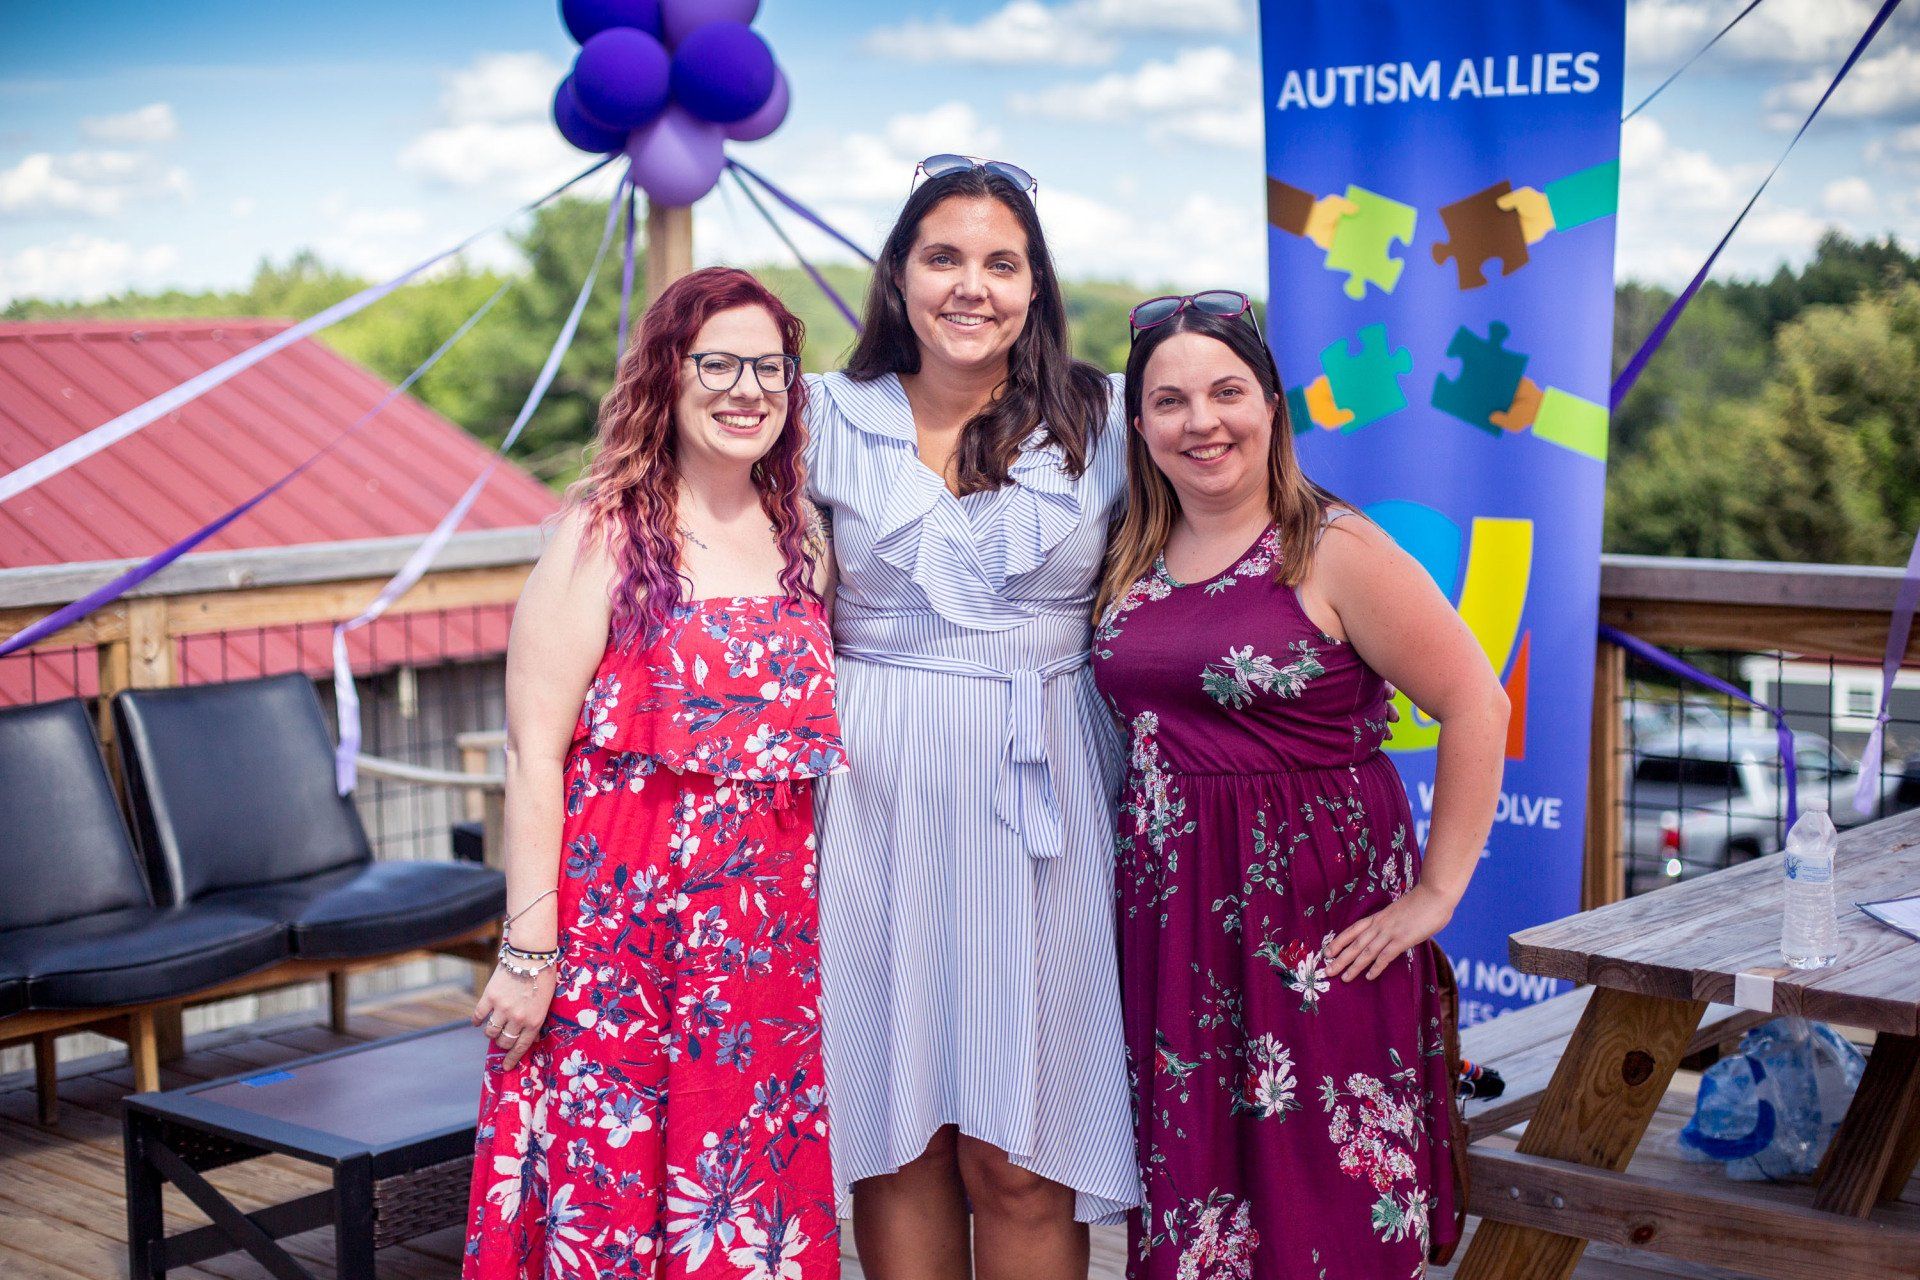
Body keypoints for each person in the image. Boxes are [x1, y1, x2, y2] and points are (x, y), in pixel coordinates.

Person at [1090, 291, 1508, 1278]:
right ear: (1140, 425)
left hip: (1316, 924)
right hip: (1174, 924)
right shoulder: (1130, 550)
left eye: (1228, 391)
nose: (1203, 421)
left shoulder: (1332, 546)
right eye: (1171, 400)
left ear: (1273, 404)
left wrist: (1437, 896)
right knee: (1198, 1202)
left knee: (1324, 1196)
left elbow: (1475, 702)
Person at [463, 267, 845, 1280]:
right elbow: (531, 751)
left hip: (765, 952)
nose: (746, 388)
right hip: (618, 945)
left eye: (769, 366)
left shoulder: (802, 536)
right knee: (613, 1199)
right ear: (667, 378)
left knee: (741, 1199)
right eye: (716, 362)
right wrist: (529, 949)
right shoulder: (602, 534)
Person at [803, 155, 1139, 1280]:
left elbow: (1236, 536)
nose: (971, 285)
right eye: (943, 256)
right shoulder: (816, 418)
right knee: (897, 1142)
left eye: (1003, 262)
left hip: (1043, 799)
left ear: (1037, 285)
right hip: (867, 805)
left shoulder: (1109, 418)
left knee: (1025, 1153)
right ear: (898, 274)